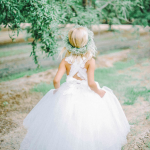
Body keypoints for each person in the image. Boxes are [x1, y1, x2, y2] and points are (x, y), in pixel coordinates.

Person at [19, 25, 130, 150]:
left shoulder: (65, 60)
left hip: (68, 92)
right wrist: (99, 92)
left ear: (70, 42)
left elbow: (56, 80)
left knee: (65, 121)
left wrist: (57, 90)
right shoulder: (90, 60)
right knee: (89, 121)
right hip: (86, 92)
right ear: (87, 42)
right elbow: (91, 83)